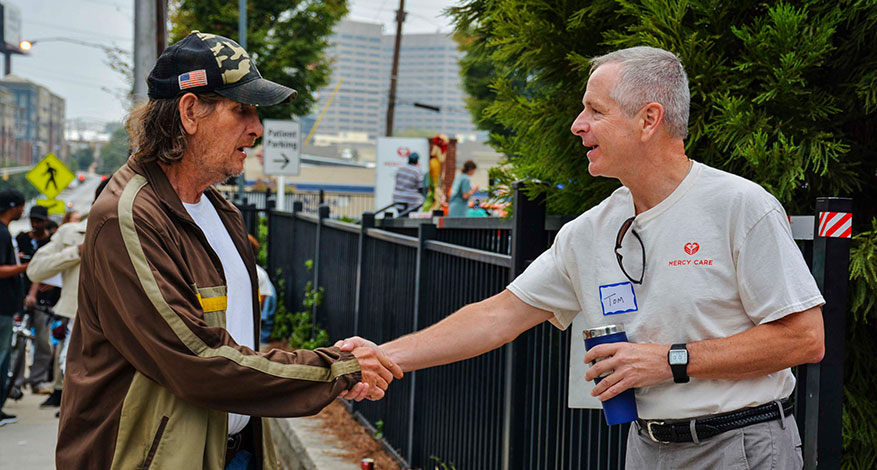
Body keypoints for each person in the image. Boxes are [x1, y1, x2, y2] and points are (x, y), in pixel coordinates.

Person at [340, 46, 825, 469]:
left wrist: (671, 361)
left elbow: (804, 339)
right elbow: (497, 317)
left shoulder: (741, 206)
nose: (578, 125)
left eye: (595, 110)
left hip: (742, 447)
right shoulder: (590, 231)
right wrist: (383, 356)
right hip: (646, 447)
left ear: (649, 120)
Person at [56, 31, 401, 470]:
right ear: (190, 112)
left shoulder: (221, 210)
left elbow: (236, 343)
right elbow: (196, 360)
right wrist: (335, 368)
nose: (256, 129)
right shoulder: (129, 215)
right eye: (242, 110)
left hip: (230, 452)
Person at [26, 180, 110, 410]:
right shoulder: (72, 233)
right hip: (77, 322)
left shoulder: (141, 231)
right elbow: (36, 269)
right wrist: (76, 252)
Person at [13, 205, 57, 396]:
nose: (35, 224)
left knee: (43, 342)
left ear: (46, 221)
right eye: (33, 220)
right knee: (19, 342)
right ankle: (15, 382)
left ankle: (37, 380)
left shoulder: (51, 242)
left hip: (43, 301)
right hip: (21, 297)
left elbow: (54, 267)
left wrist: (54, 284)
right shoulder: (22, 239)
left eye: (39, 221)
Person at [0, 189, 26, 427]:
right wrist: (26, 267)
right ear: (14, 207)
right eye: (22, 206)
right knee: (2, 357)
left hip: (6, 307)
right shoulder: (2, 233)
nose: (23, 210)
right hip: (3, 308)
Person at [247, 234, 277, 348]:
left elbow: (262, 302)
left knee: (261, 333)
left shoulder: (258, 273)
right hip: (262, 296)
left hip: (265, 298)